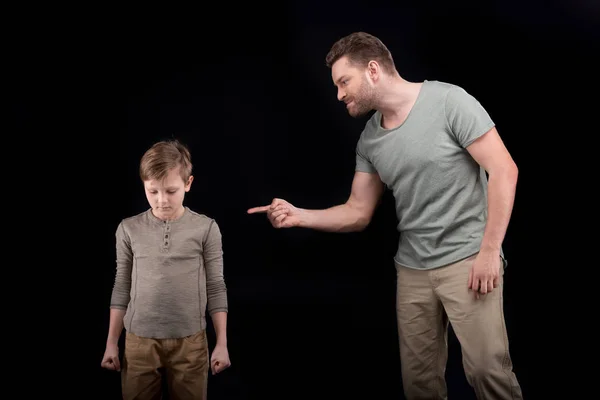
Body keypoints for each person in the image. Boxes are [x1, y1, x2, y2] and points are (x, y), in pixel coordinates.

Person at [248, 32, 522, 399]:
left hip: (469, 259)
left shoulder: (448, 101)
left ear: (373, 69)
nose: (340, 94)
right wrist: (299, 216)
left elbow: (504, 170)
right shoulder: (369, 141)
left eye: (344, 82)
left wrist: (490, 251)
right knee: (420, 384)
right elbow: (357, 212)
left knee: (489, 373)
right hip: (413, 272)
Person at [101, 139, 231, 400]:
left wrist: (222, 343)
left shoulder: (206, 228)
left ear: (188, 183)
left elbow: (216, 285)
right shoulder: (128, 229)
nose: (161, 201)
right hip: (139, 342)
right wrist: (111, 343)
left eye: (171, 191)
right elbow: (122, 285)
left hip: (191, 343)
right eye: (153, 191)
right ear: (144, 186)